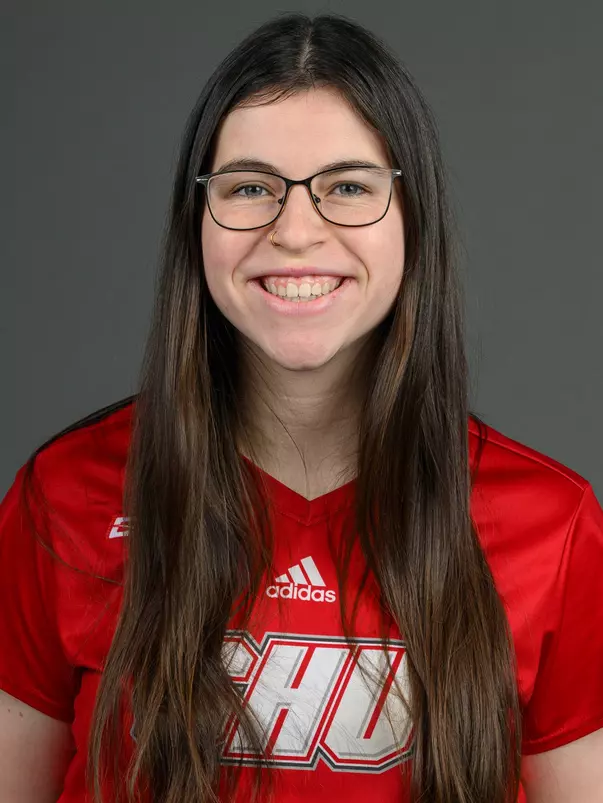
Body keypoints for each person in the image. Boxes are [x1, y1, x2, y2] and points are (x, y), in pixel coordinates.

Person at [0, 12, 602, 803]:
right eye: (250, 187)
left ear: (410, 222)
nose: (294, 230)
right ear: (197, 220)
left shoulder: (552, 527)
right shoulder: (64, 495)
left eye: (346, 187)